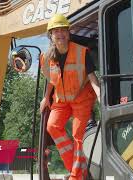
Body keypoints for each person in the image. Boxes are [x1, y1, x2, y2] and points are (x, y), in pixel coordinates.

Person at [40, 14, 100, 180]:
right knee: (52, 126)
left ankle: (76, 176)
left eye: (63, 30)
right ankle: (76, 166)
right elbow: (52, 80)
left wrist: (101, 96)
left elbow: (93, 79)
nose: (60, 34)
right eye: (56, 31)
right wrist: (46, 98)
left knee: (78, 136)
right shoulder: (47, 58)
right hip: (62, 100)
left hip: (81, 98)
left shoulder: (81, 52)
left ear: (68, 33)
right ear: (51, 35)